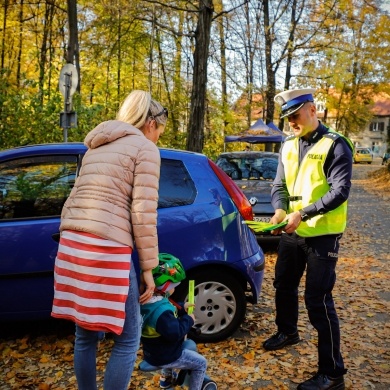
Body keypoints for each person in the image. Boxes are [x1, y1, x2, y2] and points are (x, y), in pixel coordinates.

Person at [51, 90, 168, 390]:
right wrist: (148, 269)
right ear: (151, 123)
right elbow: (143, 213)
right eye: (160, 132)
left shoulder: (96, 147)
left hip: (73, 243)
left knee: (85, 334)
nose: (158, 139)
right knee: (129, 337)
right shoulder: (144, 148)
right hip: (106, 246)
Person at [263, 88, 353, 390]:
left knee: (318, 300)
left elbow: (340, 191)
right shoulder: (287, 145)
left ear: (312, 110)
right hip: (293, 232)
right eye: (287, 118)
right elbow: (280, 184)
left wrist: (304, 213)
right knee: (283, 285)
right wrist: (279, 210)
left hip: (323, 236)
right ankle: (287, 331)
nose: (291, 123)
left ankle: (333, 373)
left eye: (295, 116)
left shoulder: (336, 145)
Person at [140, 253, 217, 390]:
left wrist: (183, 307)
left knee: (189, 345)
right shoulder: (162, 312)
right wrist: (189, 320)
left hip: (152, 351)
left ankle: (167, 380)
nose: (174, 289)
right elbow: (175, 332)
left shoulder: (149, 302)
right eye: (173, 286)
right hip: (166, 355)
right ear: (164, 287)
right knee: (201, 363)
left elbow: (170, 309)